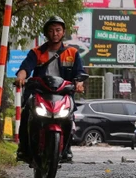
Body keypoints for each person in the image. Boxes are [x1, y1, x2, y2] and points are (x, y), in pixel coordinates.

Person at [15, 16, 86, 163]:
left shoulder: (72, 52)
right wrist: (21, 77)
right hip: (40, 92)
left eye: (58, 30)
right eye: (51, 30)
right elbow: (25, 68)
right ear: (46, 34)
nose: (55, 33)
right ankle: (23, 148)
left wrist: (79, 83)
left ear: (63, 32)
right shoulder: (36, 52)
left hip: (63, 93)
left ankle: (66, 149)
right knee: (27, 114)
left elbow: (79, 73)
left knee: (69, 117)